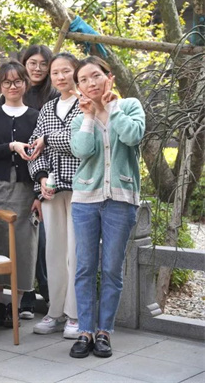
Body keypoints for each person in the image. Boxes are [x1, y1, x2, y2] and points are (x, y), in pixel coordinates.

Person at [69, 56, 145, 359]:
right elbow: (83, 150)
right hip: (85, 201)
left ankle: (104, 332)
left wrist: (111, 108)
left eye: (96, 76)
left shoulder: (130, 106)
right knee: (85, 267)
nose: (91, 83)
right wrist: (89, 116)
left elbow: (132, 136)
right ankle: (85, 331)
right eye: (84, 79)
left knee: (112, 268)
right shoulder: (79, 118)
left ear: (108, 77)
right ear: (79, 87)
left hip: (121, 200)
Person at [0, 61, 40, 327]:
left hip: (25, 189)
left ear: (25, 83)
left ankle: (14, 305)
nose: (12, 86)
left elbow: (42, 156)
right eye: (7, 82)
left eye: (17, 81)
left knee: (23, 246)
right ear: (0, 85)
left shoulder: (36, 116)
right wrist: (12, 146)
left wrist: (39, 194)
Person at [27, 53, 82, 339]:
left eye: (66, 71)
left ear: (76, 72)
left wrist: (47, 140)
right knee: (54, 252)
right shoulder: (48, 108)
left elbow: (79, 142)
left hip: (81, 188)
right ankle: (55, 311)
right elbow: (32, 148)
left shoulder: (86, 103)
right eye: (55, 72)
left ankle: (75, 314)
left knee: (76, 252)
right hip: (50, 189)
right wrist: (40, 177)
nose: (60, 77)